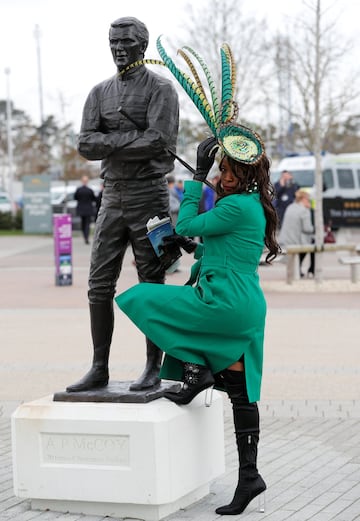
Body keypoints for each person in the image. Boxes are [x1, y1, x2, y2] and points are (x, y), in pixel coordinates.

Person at [116, 136, 280, 515]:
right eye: (220, 170)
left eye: (228, 170)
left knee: (141, 299)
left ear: (247, 173)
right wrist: (195, 248)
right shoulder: (249, 205)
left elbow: (188, 220)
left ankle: (196, 371)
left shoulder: (238, 205)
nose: (222, 177)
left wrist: (196, 176)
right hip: (242, 304)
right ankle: (250, 477)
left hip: (224, 302)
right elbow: (223, 248)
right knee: (241, 393)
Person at [66, 16, 179, 393]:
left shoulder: (162, 90)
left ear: (142, 46)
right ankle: (99, 366)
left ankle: (153, 366)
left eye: (126, 42)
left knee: (152, 282)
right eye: (113, 41)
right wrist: (130, 139)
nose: (118, 48)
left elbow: (157, 141)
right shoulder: (99, 93)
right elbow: (85, 144)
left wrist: (110, 140)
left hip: (149, 195)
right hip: (111, 195)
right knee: (99, 283)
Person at [279, 189, 315, 277]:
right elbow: (307, 228)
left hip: (284, 241)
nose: (309, 202)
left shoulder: (290, 207)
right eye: (308, 200)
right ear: (304, 199)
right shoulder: (304, 211)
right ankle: (312, 270)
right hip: (295, 242)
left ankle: (298, 268)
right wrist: (315, 228)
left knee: (308, 244)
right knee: (314, 245)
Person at [74, 175, 96, 244]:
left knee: (83, 223)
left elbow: (75, 198)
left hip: (81, 209)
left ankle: (85, 236)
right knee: (87, 224)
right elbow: (93, 199)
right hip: (88, 209)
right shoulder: (90, 190)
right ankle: (86, 237)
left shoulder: (78, 190)